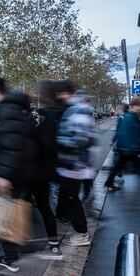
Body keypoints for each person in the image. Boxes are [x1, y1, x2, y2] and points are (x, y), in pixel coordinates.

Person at [0, 78, 36, 272]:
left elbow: (10, 145)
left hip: (11, 173)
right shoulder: (17, 108)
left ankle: (10, 258)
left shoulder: (7, 110)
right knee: (13, 210)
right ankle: (16, 247)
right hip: (22, 170)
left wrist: (3, 175)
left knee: (6, 213)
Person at [55, 81, 95, 247]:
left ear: (66, 93)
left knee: (71, 198)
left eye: (60, 94)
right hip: (72, 165)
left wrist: (57, 140)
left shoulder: (77, 110)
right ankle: (71, 223)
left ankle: (82, 233)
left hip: (74, 165)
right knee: (67, 196)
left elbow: (78, 140)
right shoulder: (75, 109)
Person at [30, 80, 66, 260]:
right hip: (46, 169)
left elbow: (46, 144)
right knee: (42, 206)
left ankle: (52, 246)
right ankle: (52, 244)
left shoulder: (50, 117)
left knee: (40, 205)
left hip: (40, 169)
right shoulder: (56, 113)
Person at [104, 99, 140, 190]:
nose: (139, 108)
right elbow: (124, 133)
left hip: (126, 149)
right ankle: (109, 183)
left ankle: (109, 183)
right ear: (132, 107)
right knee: (136, 166)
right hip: (129, 149)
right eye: (137, 106)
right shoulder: (130, 117)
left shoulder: (131, 116)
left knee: (117, 166)